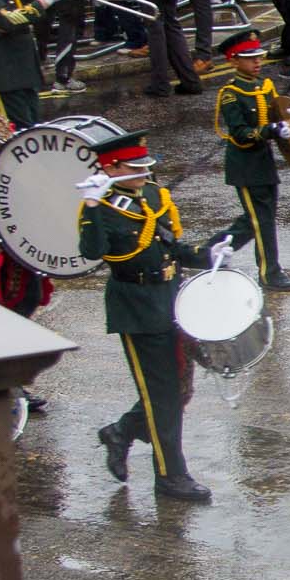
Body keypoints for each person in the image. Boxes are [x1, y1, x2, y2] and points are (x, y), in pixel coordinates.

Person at [79, 130, 215, 502]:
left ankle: (121, 431)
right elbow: (93, 253)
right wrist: (91, 207)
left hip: (171, 298)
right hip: (137, 305)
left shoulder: (153, 195)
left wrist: (208, 255)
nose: (143, 173)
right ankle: (171, 476)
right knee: (162, 394)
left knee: (178, 389)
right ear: (112, 168)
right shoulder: (101, 206)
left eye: (144, 166)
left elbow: (171, 245)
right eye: (134, 168)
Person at [207, 30, 290, 293]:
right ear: (234, 61)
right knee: (262, 220)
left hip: (264, 161)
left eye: (259, 57)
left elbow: (278, 113)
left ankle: (208, 253)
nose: (258, 62)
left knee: (257, 218)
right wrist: (271, 131)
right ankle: (270, 273)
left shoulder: (265, 86)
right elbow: (240, 134)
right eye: (250, 59)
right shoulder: (231, 93)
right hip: (245, 164)